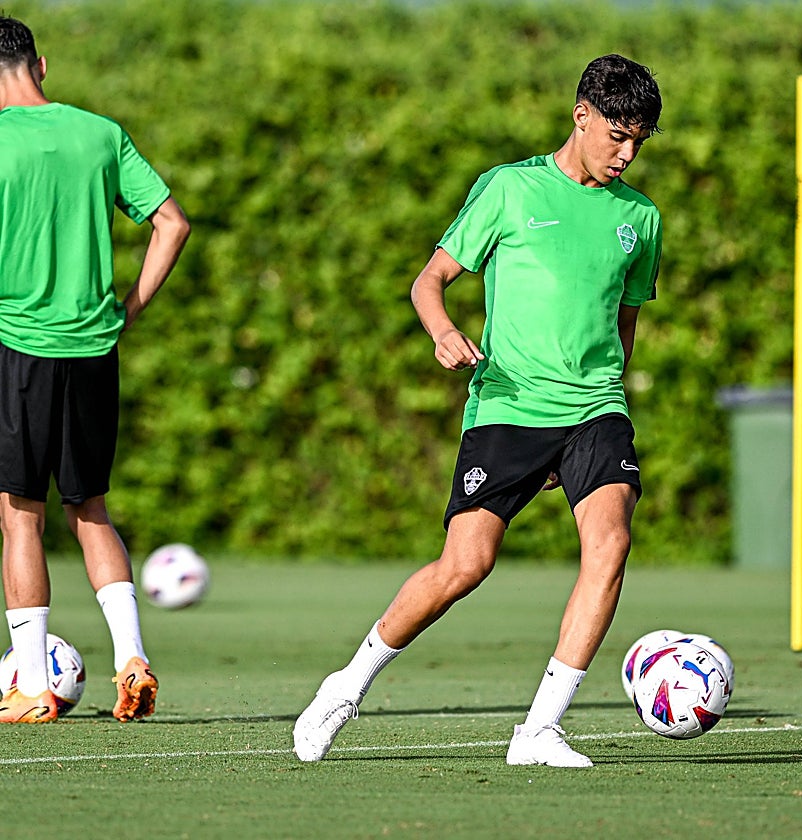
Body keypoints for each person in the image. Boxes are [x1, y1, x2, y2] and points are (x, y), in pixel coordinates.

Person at [292, 54, 663, 767]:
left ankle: (540, 730)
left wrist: (608, 396)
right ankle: (347, 685)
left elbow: (625, 323)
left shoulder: (641, 217)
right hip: (509, 406)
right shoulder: (509, 188)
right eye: (617, 135)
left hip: (595, 407)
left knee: (610, 543)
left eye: (638, 142)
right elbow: (429, 281)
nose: (626, 154)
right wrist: (442, 333)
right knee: (466, 565)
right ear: (581, 115)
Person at [0, 16, 191, 723]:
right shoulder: (101, 133)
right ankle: (132, 660)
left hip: (17, 346)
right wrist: (128, 309)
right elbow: (172, 223)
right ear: (41, 65)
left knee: (20, 516)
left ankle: (31, 683)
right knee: (90, 508)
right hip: (93, 350)